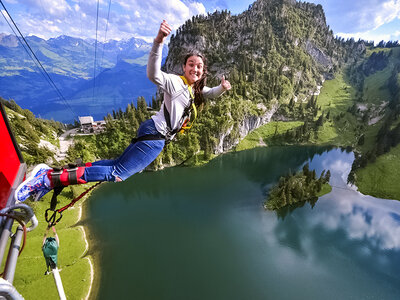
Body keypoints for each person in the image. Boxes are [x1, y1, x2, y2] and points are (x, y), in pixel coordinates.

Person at [15, 20, 232, 202]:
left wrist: (222, 88)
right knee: (118, 174)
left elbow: (209, 93)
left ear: (203, 71)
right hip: (155, 137)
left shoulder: (194, 88)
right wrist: (158, 42)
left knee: (115, 164)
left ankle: (57, 173)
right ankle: (48, 179)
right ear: (184, 67)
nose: (195, 68)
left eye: (199, 66)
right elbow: (154, 74)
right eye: (191, 64)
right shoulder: (176, 82)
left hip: (152, 131)